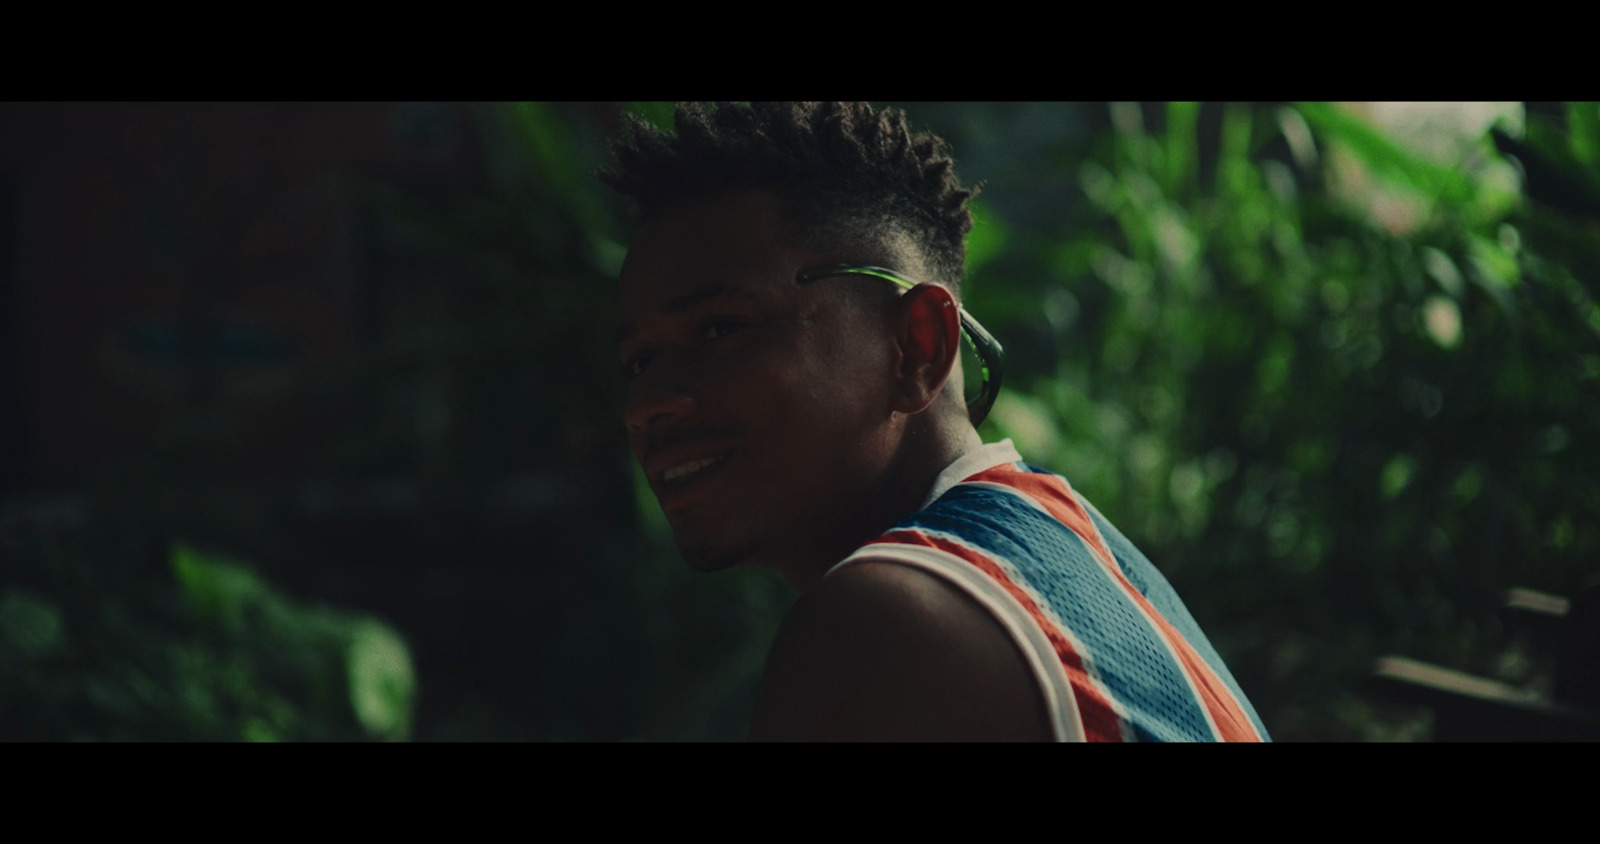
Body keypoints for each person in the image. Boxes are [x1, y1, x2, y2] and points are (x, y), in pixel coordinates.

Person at [604, 102, 1269, 741]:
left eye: (720, 329)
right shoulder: (1060, 540)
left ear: (916, 346)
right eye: (639, 362)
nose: (648, 405)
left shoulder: (884, 622)